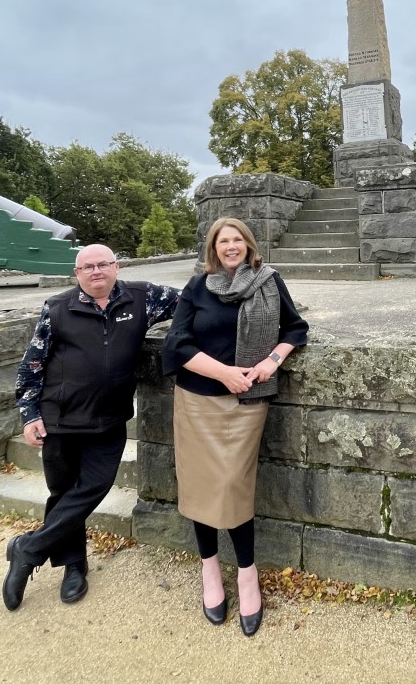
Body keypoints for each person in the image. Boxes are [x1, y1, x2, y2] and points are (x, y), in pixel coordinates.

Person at [3, 243, 179, 610]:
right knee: (63, 492)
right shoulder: (57, 309)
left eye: (103, 264)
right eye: (88, 267)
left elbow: (195, 300)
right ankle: (73, 567)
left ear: (117, 266)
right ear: (77, 273)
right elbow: (31, 365)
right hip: (61, 419)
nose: (96, 271)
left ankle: (28, 549)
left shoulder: (143, 298)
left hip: (109, 418)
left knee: (94, 487)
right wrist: (29, 415)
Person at [166, 217, 308, 636]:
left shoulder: (268, 281)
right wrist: (223, 373)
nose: (231, 246)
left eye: (237, 239)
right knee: (199, 485)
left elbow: (295, 328)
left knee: (234, 484)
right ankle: (210, 571)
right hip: (197, 400)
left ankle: (247, 574)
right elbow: (177, 344)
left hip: (247, 400)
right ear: (213, 247)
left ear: (248, 244)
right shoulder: (198, 286)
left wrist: (271, 361)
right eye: (223, 240)